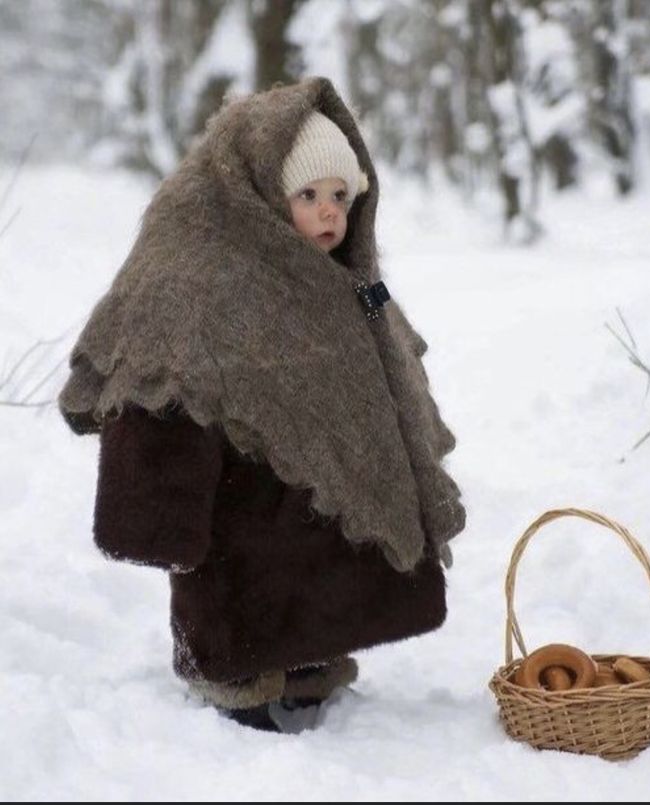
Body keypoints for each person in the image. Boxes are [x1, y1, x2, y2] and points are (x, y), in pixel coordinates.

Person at [58, 76, 466, 733]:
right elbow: (161, 386)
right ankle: (238, 670)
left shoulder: (345, 280)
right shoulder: (196, 275)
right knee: (244, 580)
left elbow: (382, 367)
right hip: (237, 510)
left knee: (316, 552)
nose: (330, 212)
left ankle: (315, 649)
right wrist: (156, 514)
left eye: (341, 194)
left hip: (310, 516)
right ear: (262, 194)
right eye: (308, 195)